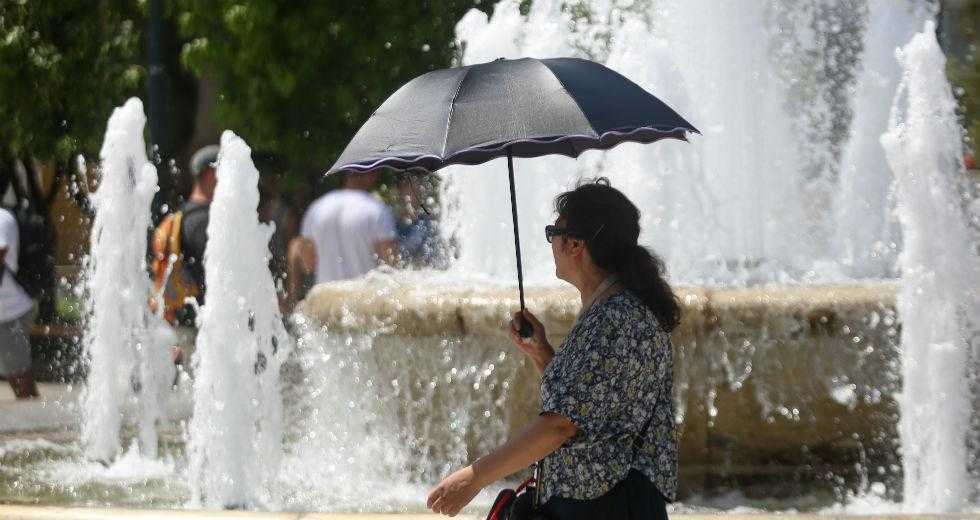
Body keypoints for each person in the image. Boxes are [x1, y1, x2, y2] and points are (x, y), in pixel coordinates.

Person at [426, 178, 680, 519]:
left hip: (605, 505)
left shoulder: (614, 318)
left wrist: (473, 478)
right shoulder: (613, 309)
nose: (551, 243)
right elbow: (591, 404)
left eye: (553, 232)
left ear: (575, 244)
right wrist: (541, 351)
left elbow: (561, 425)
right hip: (604, 501)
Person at [151, 144, 219, 364]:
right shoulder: (205, 221)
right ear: (211, 174)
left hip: (182, 328)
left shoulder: (178, 218)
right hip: (204, 333)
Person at [287, 170, 397, 301]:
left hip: (325, 302)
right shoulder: (377, 209)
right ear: (369, 175)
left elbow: (308, 265)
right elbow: (390, 266)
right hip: (363, 302)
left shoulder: (317, 208)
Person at [0, 207, 39, 399]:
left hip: (12, 310)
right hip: (6, 310)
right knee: (13, 373)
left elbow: (1, 250)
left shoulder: (1, 217)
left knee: (21, 376)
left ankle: (36, 422)